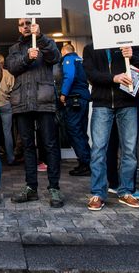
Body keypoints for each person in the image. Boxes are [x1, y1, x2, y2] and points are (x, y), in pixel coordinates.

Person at [5, 19, 64, 208]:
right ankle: (31, 187)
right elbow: (11, 67)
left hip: (44, 100)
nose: (25, 26)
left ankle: (54, 187)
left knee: (50, 144)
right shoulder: (14, 48)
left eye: (28, 23)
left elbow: (55, 57)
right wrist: (27, 58)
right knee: (28, 146)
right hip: (22, 101)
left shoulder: (47, 42)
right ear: (18, 27)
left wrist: (40, 38)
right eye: (22, 24)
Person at [83, 44, 139, 211]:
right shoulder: (90, 48)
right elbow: (91, 74)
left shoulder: (129, 45)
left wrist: (133, 56)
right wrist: (114, 78)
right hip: (102, 103)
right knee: (98, 149)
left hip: (127, 103)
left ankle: (126, 191)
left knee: (129, 149)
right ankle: (98, 192)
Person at [58, 43, 91, 177]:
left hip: (74, 99)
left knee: (74, 130)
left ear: (64, 51)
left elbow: (69, 76)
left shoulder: (68, 59)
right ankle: (87, 162)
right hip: (83, 98)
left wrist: (63, 93)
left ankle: (85, 163)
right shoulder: (80, 61)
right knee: (81, 131)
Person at [0, 54, 16, 166]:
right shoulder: (9, 74)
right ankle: (10, 157)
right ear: (3, 62)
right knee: (7, 132)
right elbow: (13, 90)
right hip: (6, 105)